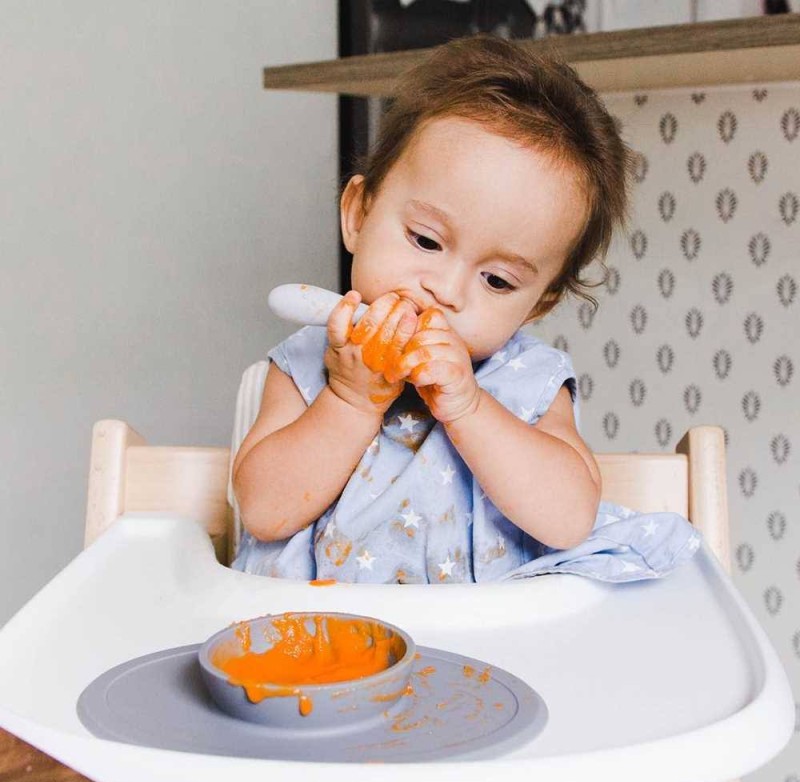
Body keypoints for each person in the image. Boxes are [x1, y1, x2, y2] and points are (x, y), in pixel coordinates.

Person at [231, 34, 700, 583]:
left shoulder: (527, 383)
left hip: (487, 648)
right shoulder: (308, 364)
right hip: (326, 641)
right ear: (359, 213)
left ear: (536, 305)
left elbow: (570, 520)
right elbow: (264, 513)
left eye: (497, 280)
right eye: (426, 241)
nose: (447, 292)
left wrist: (469, 407)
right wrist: (350, 399)